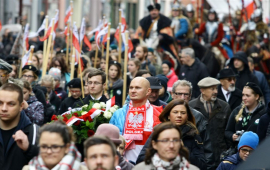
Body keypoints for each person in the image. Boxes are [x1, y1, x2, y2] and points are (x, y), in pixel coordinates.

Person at [137, 100, 206, 169]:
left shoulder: (193, 135)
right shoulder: (158, 132)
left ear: (187, 116)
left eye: (183, 113)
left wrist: (183, 150)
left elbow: (202, 165)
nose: (179, 115)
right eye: (175, 112)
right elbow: (141, 159)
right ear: (168, 116)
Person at [109, 77, 161, 162]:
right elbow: (110, 142)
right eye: (131, 88)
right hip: (122, 165)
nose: (133, 91)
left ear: (148, 91)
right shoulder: (118, 114)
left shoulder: (159, 114)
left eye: (137, 88)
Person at [189, 77, 231, 169]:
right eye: (212, 89)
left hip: (220, 154)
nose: (216, 91)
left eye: (216, 88)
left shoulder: (224, 106)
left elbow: (228, 130)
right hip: (200, 155)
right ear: (202, 90)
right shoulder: (191, 107)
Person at [0, 83, 39, 170]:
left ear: (21, 106)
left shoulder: (34, 133)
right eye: (0, 103)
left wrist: (29, 149)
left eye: (11, 104)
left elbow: (46, 164)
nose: (4, 108)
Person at [23, 121, 87, 170]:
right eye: (44, 146)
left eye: (55, 147)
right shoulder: (28, 168)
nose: (49, 152)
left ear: (66, 147)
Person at [133, 122, 199, 170]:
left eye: (175, 140)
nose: (171, 145)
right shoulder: (140, 168)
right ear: (154, 144)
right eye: (165, 140)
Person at [134, 3, 178, 69]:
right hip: (145, 43)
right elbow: (138, 34)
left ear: (158, 11)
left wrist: (161, 37)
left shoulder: (165, 21)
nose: (154, 12)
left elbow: (169, 35)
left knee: (171, 56)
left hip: (160, 44)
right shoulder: (144, 21)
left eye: (155, 10)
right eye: (152, 10)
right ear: (149, 12)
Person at [225, 82, 266, 146]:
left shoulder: (264, 112)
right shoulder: (237, 111)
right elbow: (227, 131)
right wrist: (232, 136)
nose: (244, 98)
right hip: (239, 151)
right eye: (243, 95)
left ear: (257, 97)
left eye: (247, 95)